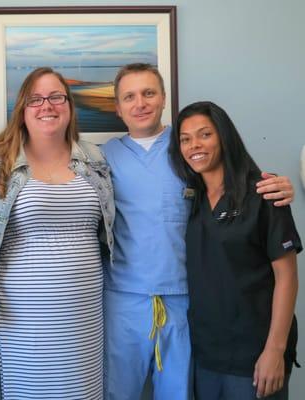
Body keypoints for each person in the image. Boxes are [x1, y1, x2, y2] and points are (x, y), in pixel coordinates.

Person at [100, 63, 295, 400]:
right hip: (124, 299)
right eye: (129, 97)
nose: (140, 103)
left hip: (185, 300)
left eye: (149, 93)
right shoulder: (102, 157)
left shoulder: (184, 151)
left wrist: (277, 185)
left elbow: (232, 177)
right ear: (117, 108)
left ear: (164, 98)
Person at [0, 67, 114, 399]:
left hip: (84, 313)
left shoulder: (95, 157)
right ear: (22, 109)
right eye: (35, 99)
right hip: (22, 316)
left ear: (69, 106)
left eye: (56, 97)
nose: (46, 105)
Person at [169, 101, 301, 399]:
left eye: (205, 134)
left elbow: (287, 278)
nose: (194, 145)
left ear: (224, 137)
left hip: (255, 355)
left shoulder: (263, 193)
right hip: (207, 356)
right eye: (185, 139)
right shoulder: (192, 200)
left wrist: (275, 350)